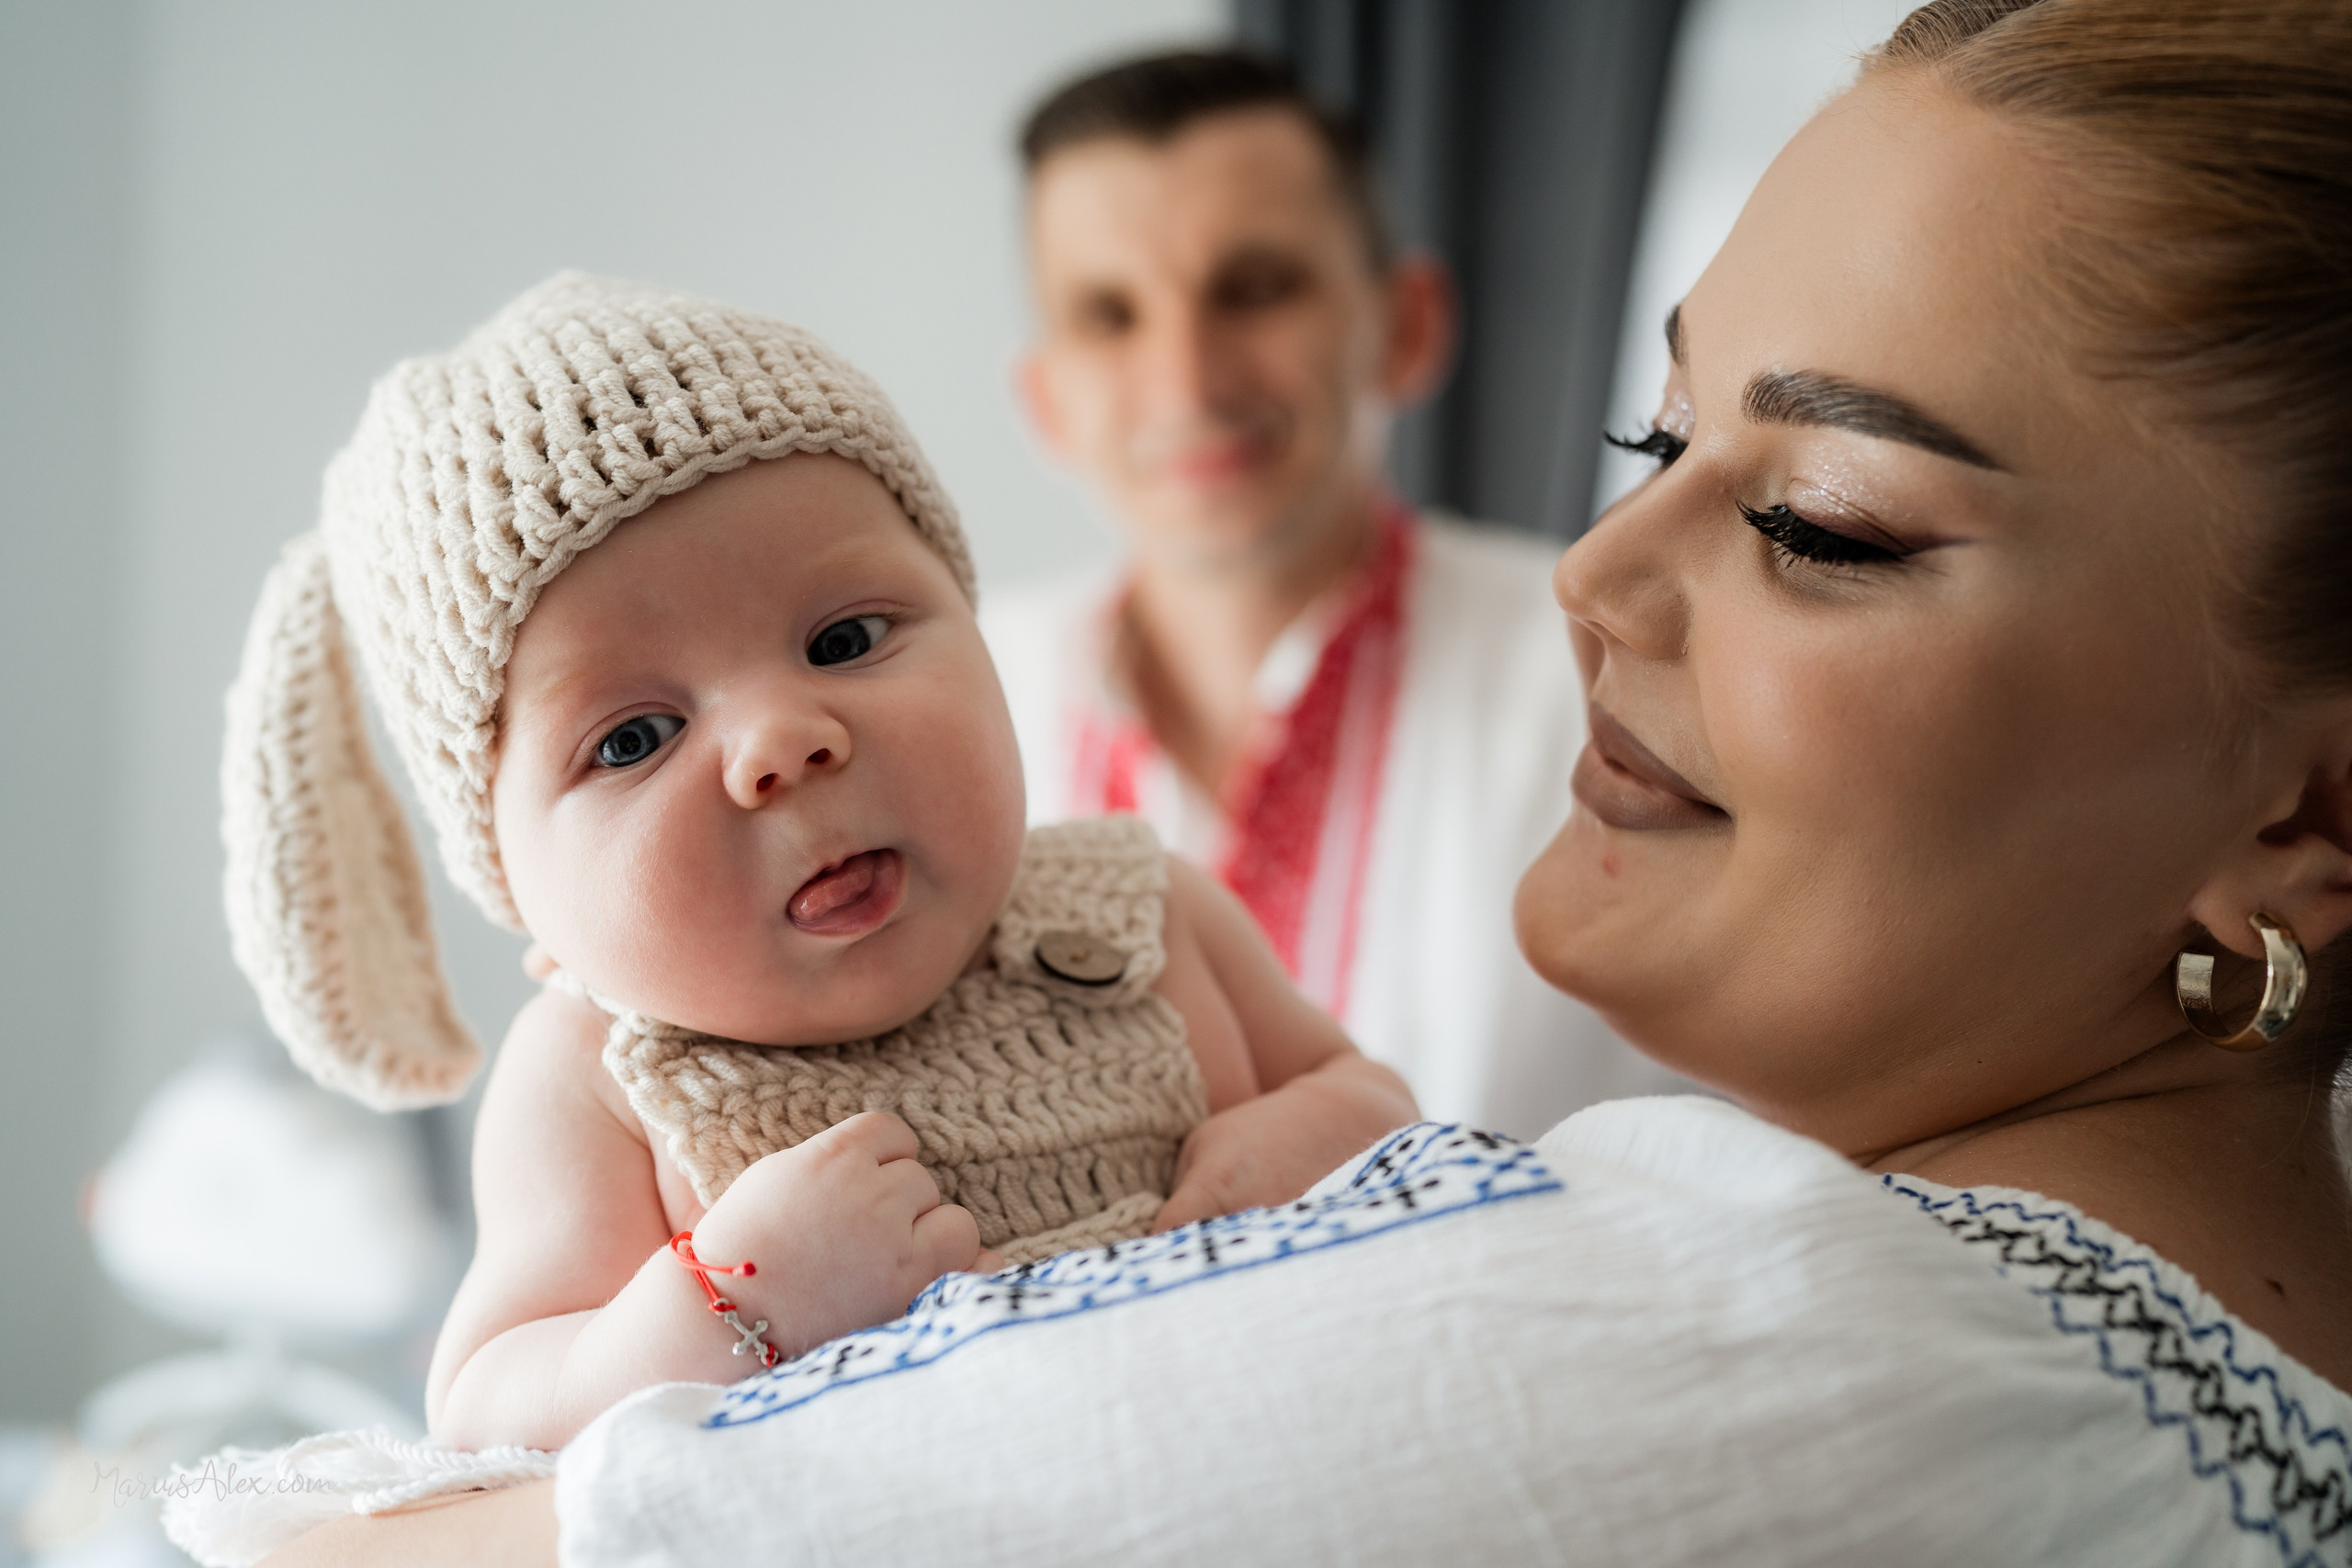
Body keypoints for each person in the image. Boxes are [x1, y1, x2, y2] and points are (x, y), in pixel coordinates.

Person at [260, 1, 2352, 1562]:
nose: (1596, 571)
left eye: (1817, 516)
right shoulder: (610, 1058)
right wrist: (697, 1309)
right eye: (1651, 445)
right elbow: (479, 1415)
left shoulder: (1730, 1338)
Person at [196, 274, 1412, 1479]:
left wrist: (1318, 1136)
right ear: (521, 890)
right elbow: (486, 1405)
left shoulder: (1151, 913)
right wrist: (731, 1300)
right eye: (633, 736)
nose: (783, 741)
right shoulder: (596, 1081)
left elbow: (1374, 1095)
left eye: (844, 639)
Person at [985, 51, 1682, 1137]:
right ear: (1047, 402)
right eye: (1109, 315)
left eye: (1253, 288)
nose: (1187, 381)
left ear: (1404, 328)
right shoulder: (946, 713)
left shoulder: (1618, 683)